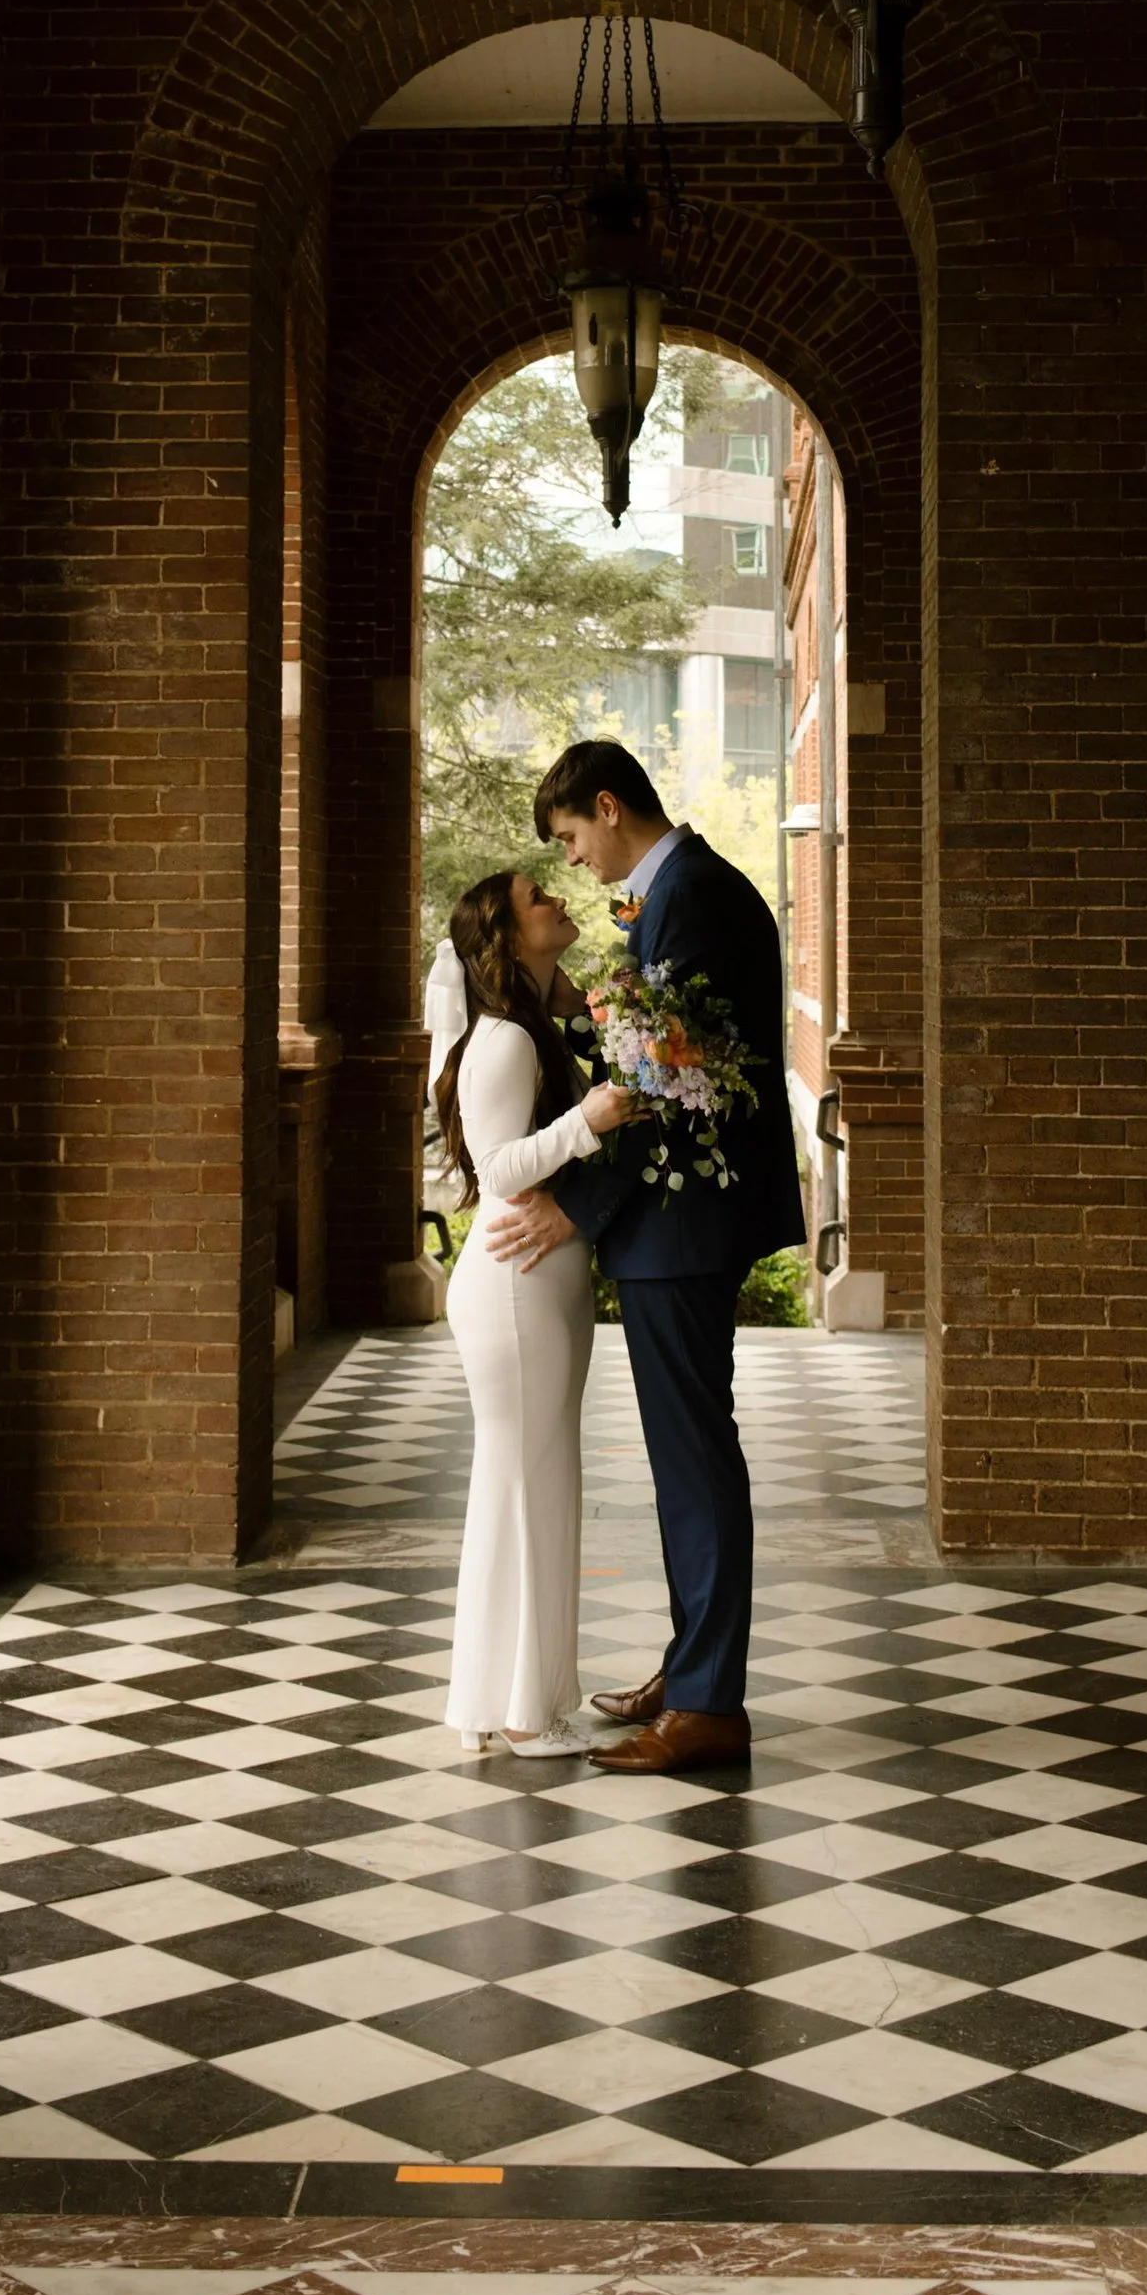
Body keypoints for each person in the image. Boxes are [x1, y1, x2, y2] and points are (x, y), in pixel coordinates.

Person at [486, 741, 804, 1774]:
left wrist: (574, 1204)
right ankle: (690, 1665)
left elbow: (666, 1086)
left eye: (572, 837)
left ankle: (710, 1703)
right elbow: (651, 1060)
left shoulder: (697, 897)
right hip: (672, 1223)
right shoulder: (676, 896)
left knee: (694, 1459)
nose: (574, 861)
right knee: (681, 1461)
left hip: (685, 1223)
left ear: (609, 807)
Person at [431, 867, 638, 1758]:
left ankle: (508, 1698)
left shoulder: (534, 1028)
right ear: (509, 940)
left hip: (539, 1281)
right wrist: (591, 1119)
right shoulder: (506, 1041)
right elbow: (501, 1167)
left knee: (532, 1488)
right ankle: (521, 1711)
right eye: (536, 898)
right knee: (528, 1489)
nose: (557, 899)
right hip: (514, 1285)